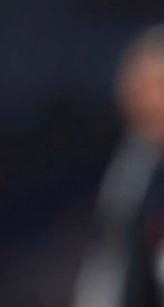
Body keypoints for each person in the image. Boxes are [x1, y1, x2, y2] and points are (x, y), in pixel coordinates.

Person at [73, 24, 164, 307]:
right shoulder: (134, 162)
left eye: (156, 85)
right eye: (135, 85)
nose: (140, 96)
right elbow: (110, 261)